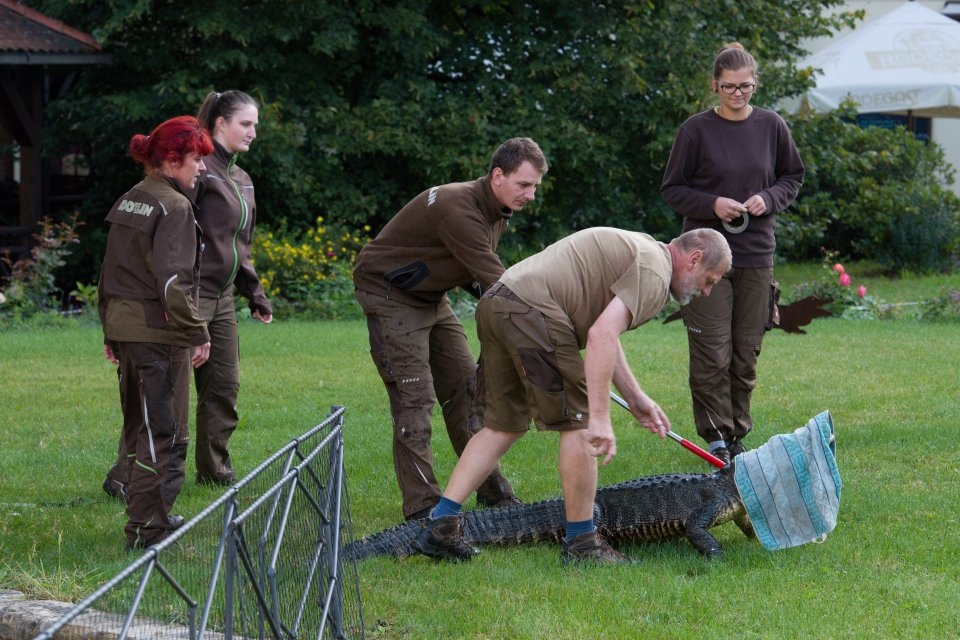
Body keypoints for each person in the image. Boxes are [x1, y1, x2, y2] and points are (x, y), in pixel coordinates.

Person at [411, 227, 733, 565]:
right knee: (578, 426)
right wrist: (598, 416)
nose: (707, 291)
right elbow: (600, 337)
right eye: (709, 279)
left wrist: (635, 396)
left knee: (503, 426)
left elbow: (605, 328)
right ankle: (583, 545)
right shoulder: (655, 272)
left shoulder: (644, 251)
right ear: (694, 259)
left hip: (499, 301)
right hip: (533, 311)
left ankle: (441, 525)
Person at [353, 137, 548, 521]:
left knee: (465, 389)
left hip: (430, 296)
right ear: (497, 176)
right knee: (415, 399)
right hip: (389, 292)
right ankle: (422, 509)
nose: (531, 195)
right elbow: (497, 281)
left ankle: (494, 495)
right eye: (524, 185)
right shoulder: (460, 209)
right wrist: (544, 328)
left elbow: (477, 277)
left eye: (535, 187)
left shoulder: (497, 211)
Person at [660, 42, 805, 464]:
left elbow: (793, 175)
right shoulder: (695, 130)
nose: (738, 94)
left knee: (745, 353)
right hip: (704, 259)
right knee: (712, 353)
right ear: (714, 85)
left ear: (755, 84)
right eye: (729, 87)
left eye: (746, 87)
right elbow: (672, 189)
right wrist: (713, 205)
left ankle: (738, 436)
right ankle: (717, 438)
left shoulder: (772, 126)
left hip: (756, 254)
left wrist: (769, 198)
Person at [98, 115, 213, 550]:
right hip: (156, 334)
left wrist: (111, 333)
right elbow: (172, 281)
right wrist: (197, 332)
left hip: (127, 329)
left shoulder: (133, 198)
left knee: (139, 427)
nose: (201, 168)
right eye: (195, 159)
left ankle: (154, 517)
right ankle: (149, 533)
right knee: (161, 432)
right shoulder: (175, 205)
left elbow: (110, 272)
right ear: (171, 158)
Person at [190, 90, 273, 486]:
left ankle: (214, 471)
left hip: (222, 299)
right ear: (220, 123)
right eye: (246, 123)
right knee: (166, 392)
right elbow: (173, 234)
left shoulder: (242, 179)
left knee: (224, 387)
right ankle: (129, 476)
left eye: (255, 124)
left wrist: (254, 293)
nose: (253, 132)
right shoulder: (196, 171)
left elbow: (239, 246)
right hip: (187, 294)